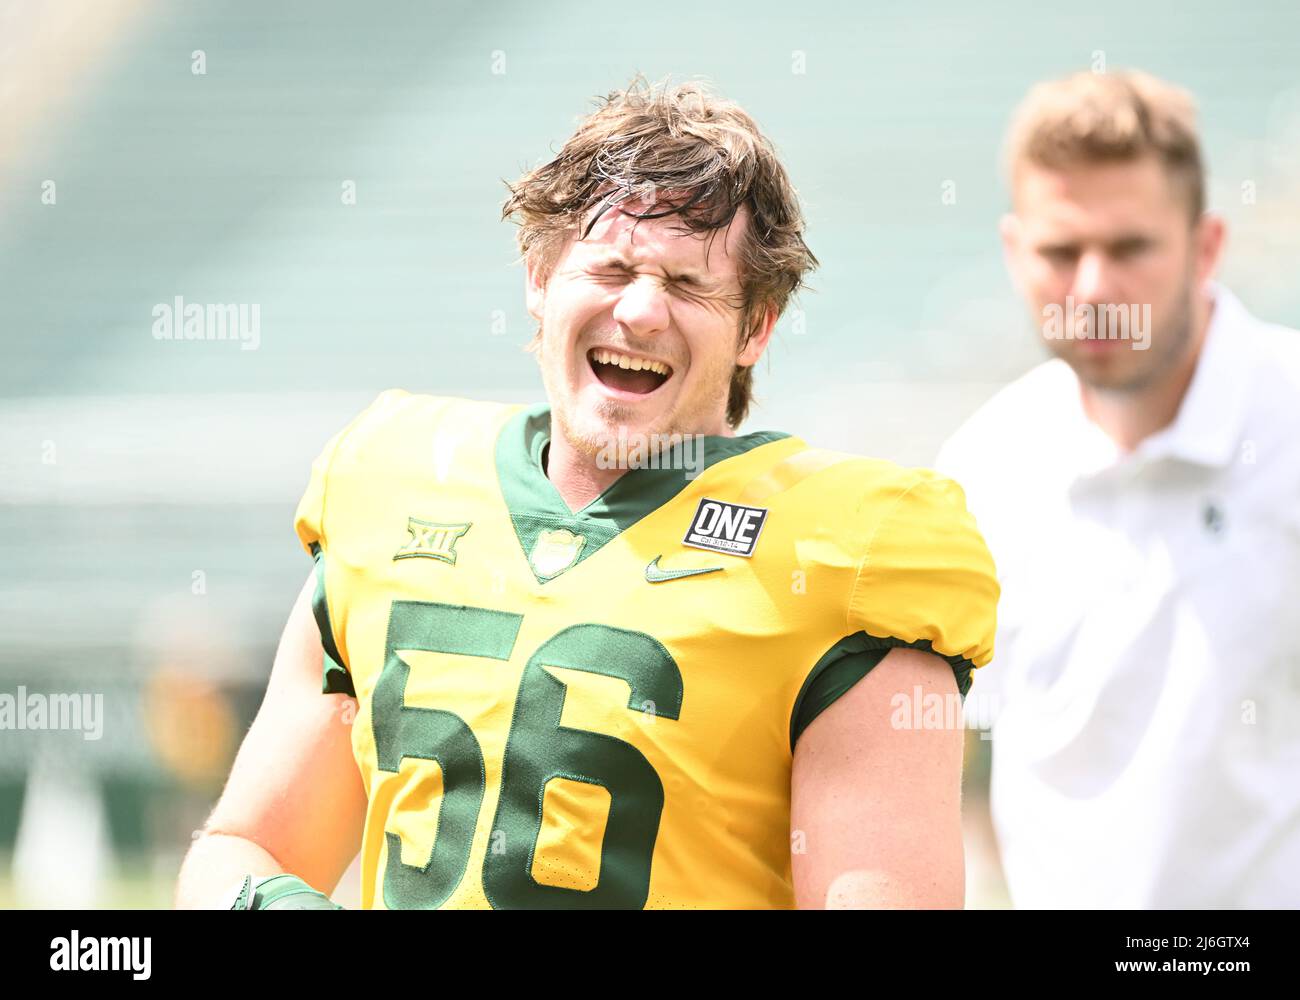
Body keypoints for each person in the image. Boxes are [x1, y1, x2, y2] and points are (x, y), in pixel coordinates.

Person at [177, 77, 998, 910]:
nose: (640, 311)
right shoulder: (394, 483)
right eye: (610, 267)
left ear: (757, 327)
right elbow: (245, 848)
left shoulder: (850, 552)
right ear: (538, 277)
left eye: (687, 285)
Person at [937, 70, 1300, 908]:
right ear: (1013, 251)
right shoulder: (979, 471)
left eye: (1130, 247)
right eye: (1062, 252)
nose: (1094, 289)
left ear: (1206, 246)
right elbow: (942, 764)